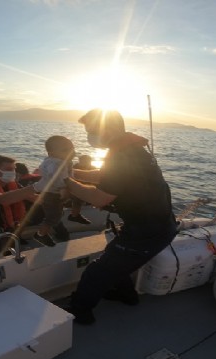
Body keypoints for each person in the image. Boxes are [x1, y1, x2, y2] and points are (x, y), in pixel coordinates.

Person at [62, 109, 178, 325]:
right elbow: (107, 178)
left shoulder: (123, 155)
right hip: (156, 226)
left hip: (147, 232)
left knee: (96, 272)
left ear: (112, 129)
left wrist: (66, 182)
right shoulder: (131, 150)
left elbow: (99, 198)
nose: (89, 136)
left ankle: (81, 312)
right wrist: (74, 174)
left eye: (92, 131)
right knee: (116, 262)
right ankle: (127, 296)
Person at [31, 135, 79, 247]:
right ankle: (41, 235)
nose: (71, 152)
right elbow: (55, 177)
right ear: (51, 153)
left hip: (53, 193)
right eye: (65, 150)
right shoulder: (55, 164)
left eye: (72, 149)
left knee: (58, 212)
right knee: (52, 218)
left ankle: (74, 215)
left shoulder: (59, 161)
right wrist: (63, 188)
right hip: (53, 194)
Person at [68, 155, 94, 224]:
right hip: (75, 188)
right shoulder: (75, 168)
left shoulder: (92, 168)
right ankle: (74, 215)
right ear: (80, 161)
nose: (86, 163)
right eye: (83, 161)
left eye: (88, 161)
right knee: (78, 198)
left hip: (87, 189)